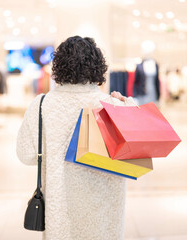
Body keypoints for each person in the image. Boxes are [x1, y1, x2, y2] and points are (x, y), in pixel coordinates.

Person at [16, 36, 136, 240]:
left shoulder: (42, 105)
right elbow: (136, 155)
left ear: (58, 67)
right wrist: (129, 108)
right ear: (98, 67)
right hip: (103, 217)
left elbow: (25, 155)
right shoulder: (112, 105)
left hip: (60, 215)